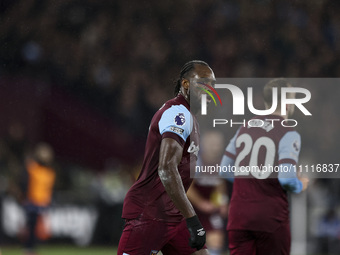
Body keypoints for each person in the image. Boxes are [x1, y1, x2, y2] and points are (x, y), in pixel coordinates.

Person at [118, 60, 216, 255]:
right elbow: (166, 168)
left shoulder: (189, 116)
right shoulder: (178, 113)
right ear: (186, 84)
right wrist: (192, 218)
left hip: (172, 215)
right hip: (151, 213)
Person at [220, 78, 309, 255]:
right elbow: (287, 180)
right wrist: (300, 184)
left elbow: (224, 168)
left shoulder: (244, 128)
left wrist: (249, 181)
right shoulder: (289, 133)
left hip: (239, 216)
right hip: (270, 217)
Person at [187, 131, 229, 255]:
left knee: (216, 240)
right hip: (192, 209)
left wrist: (223, 202)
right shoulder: (196, 162)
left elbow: (220, 185)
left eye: (218, 144)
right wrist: (202, 204)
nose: (215, 147)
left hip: (210, 209)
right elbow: (187, 189)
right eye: (212, 143)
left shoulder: (221, 162)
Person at [21, 143, 56, 255]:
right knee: (31, 226)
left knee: (39, 229)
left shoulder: (50, 172)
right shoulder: (33, 168)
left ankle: (32, 247)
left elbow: (49, 189)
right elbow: (25, 182)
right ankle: (28, 248)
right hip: (32, 201)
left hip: (43, 202)